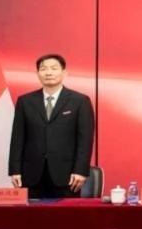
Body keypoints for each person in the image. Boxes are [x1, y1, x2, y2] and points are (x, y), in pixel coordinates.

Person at [8, 53, 95, 199]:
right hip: (31, 174)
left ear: (64, 73)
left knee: (65, 213)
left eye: (54, 68)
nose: (48, 73)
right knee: (33, 213)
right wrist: (14, 170)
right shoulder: (25, 101)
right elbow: (17, 138)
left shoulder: (80, 101)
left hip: (68, 175)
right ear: (37, 74)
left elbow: (85, 140)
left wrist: (80, 171)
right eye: (43, 69)